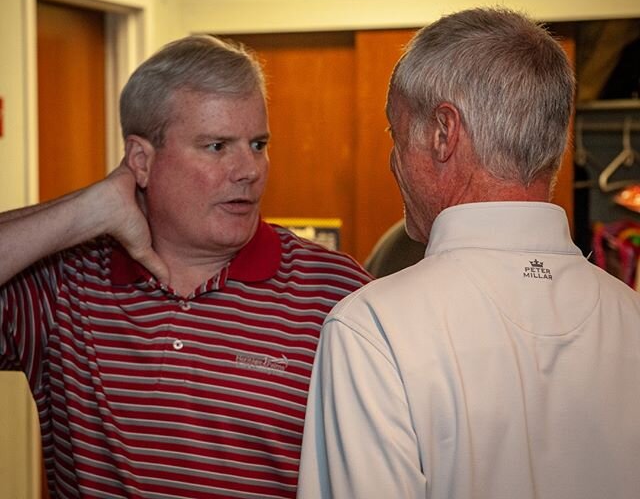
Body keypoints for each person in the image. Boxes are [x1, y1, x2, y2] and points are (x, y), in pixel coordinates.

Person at [0, 35, 371, 498]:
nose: (249, 170)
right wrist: (86, 209)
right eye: (217, 146)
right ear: (141, 160)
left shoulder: (337, 293)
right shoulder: (64, 283)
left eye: (258, 144)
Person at [297, 7, 640, 499]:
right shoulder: (632, 318)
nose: (393, 162)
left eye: (396, 134)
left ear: (443, 132)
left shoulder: (374, 328)